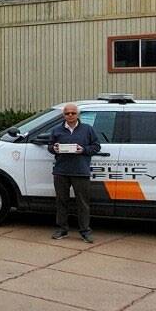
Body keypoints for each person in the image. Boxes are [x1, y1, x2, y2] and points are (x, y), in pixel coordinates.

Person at [48, 102, 101, 243]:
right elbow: (50, 146)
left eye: (73, 113)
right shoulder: (56, 130)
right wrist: (54, 148)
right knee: (61, 202)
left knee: (82, 203)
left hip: (80, 171)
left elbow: (96, 146)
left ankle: (85, 232)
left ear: (78, 114)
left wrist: (83, 150)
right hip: (61, 171)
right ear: (63, 115)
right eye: (67, 113)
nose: (70, 115)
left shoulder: (87, 129)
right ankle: (62, 229)